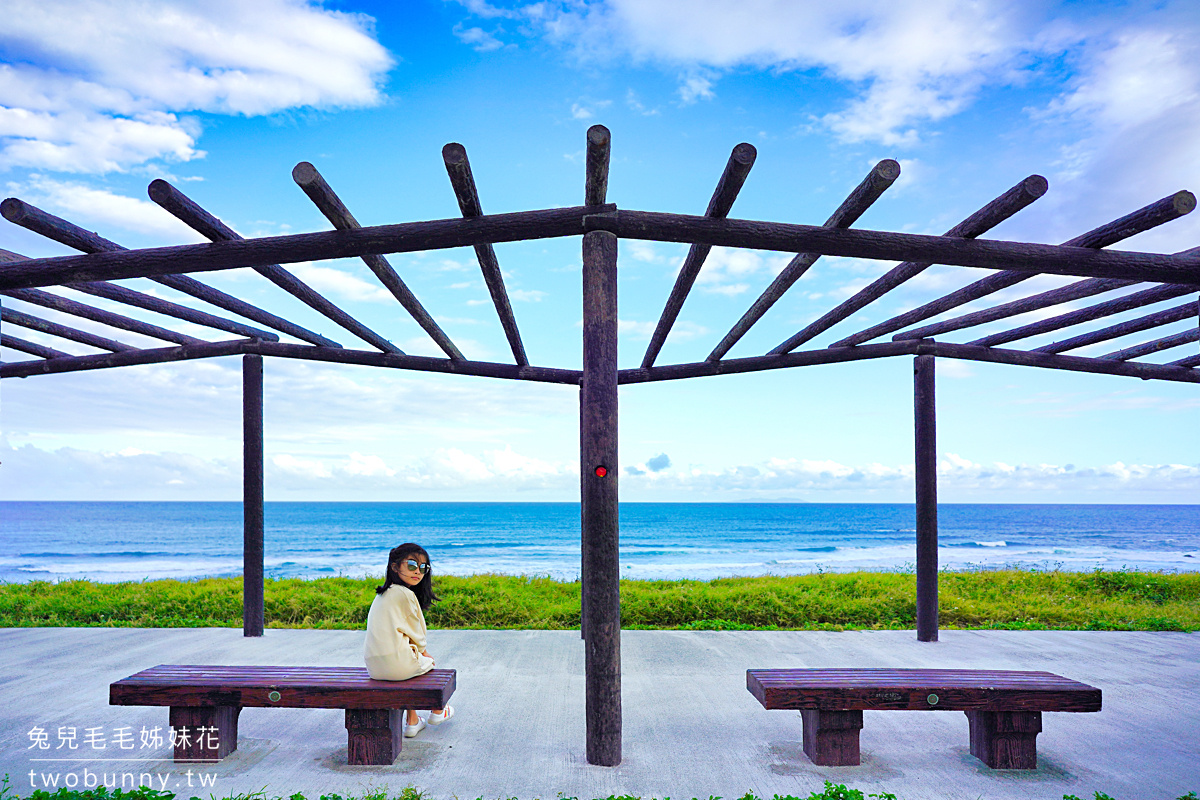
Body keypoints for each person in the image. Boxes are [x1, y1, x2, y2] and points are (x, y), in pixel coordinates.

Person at [364, 543, 455, 738]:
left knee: (412, 661)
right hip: (397, 666)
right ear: (395, 567)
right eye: (412, 564)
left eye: (423, 568)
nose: (418, 572)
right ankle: (438, 710)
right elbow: (418, 633)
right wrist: (424, 653)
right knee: (427, 663)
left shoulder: (382, 594)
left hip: (374, 667)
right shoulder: (405, 594)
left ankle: (412, 721)